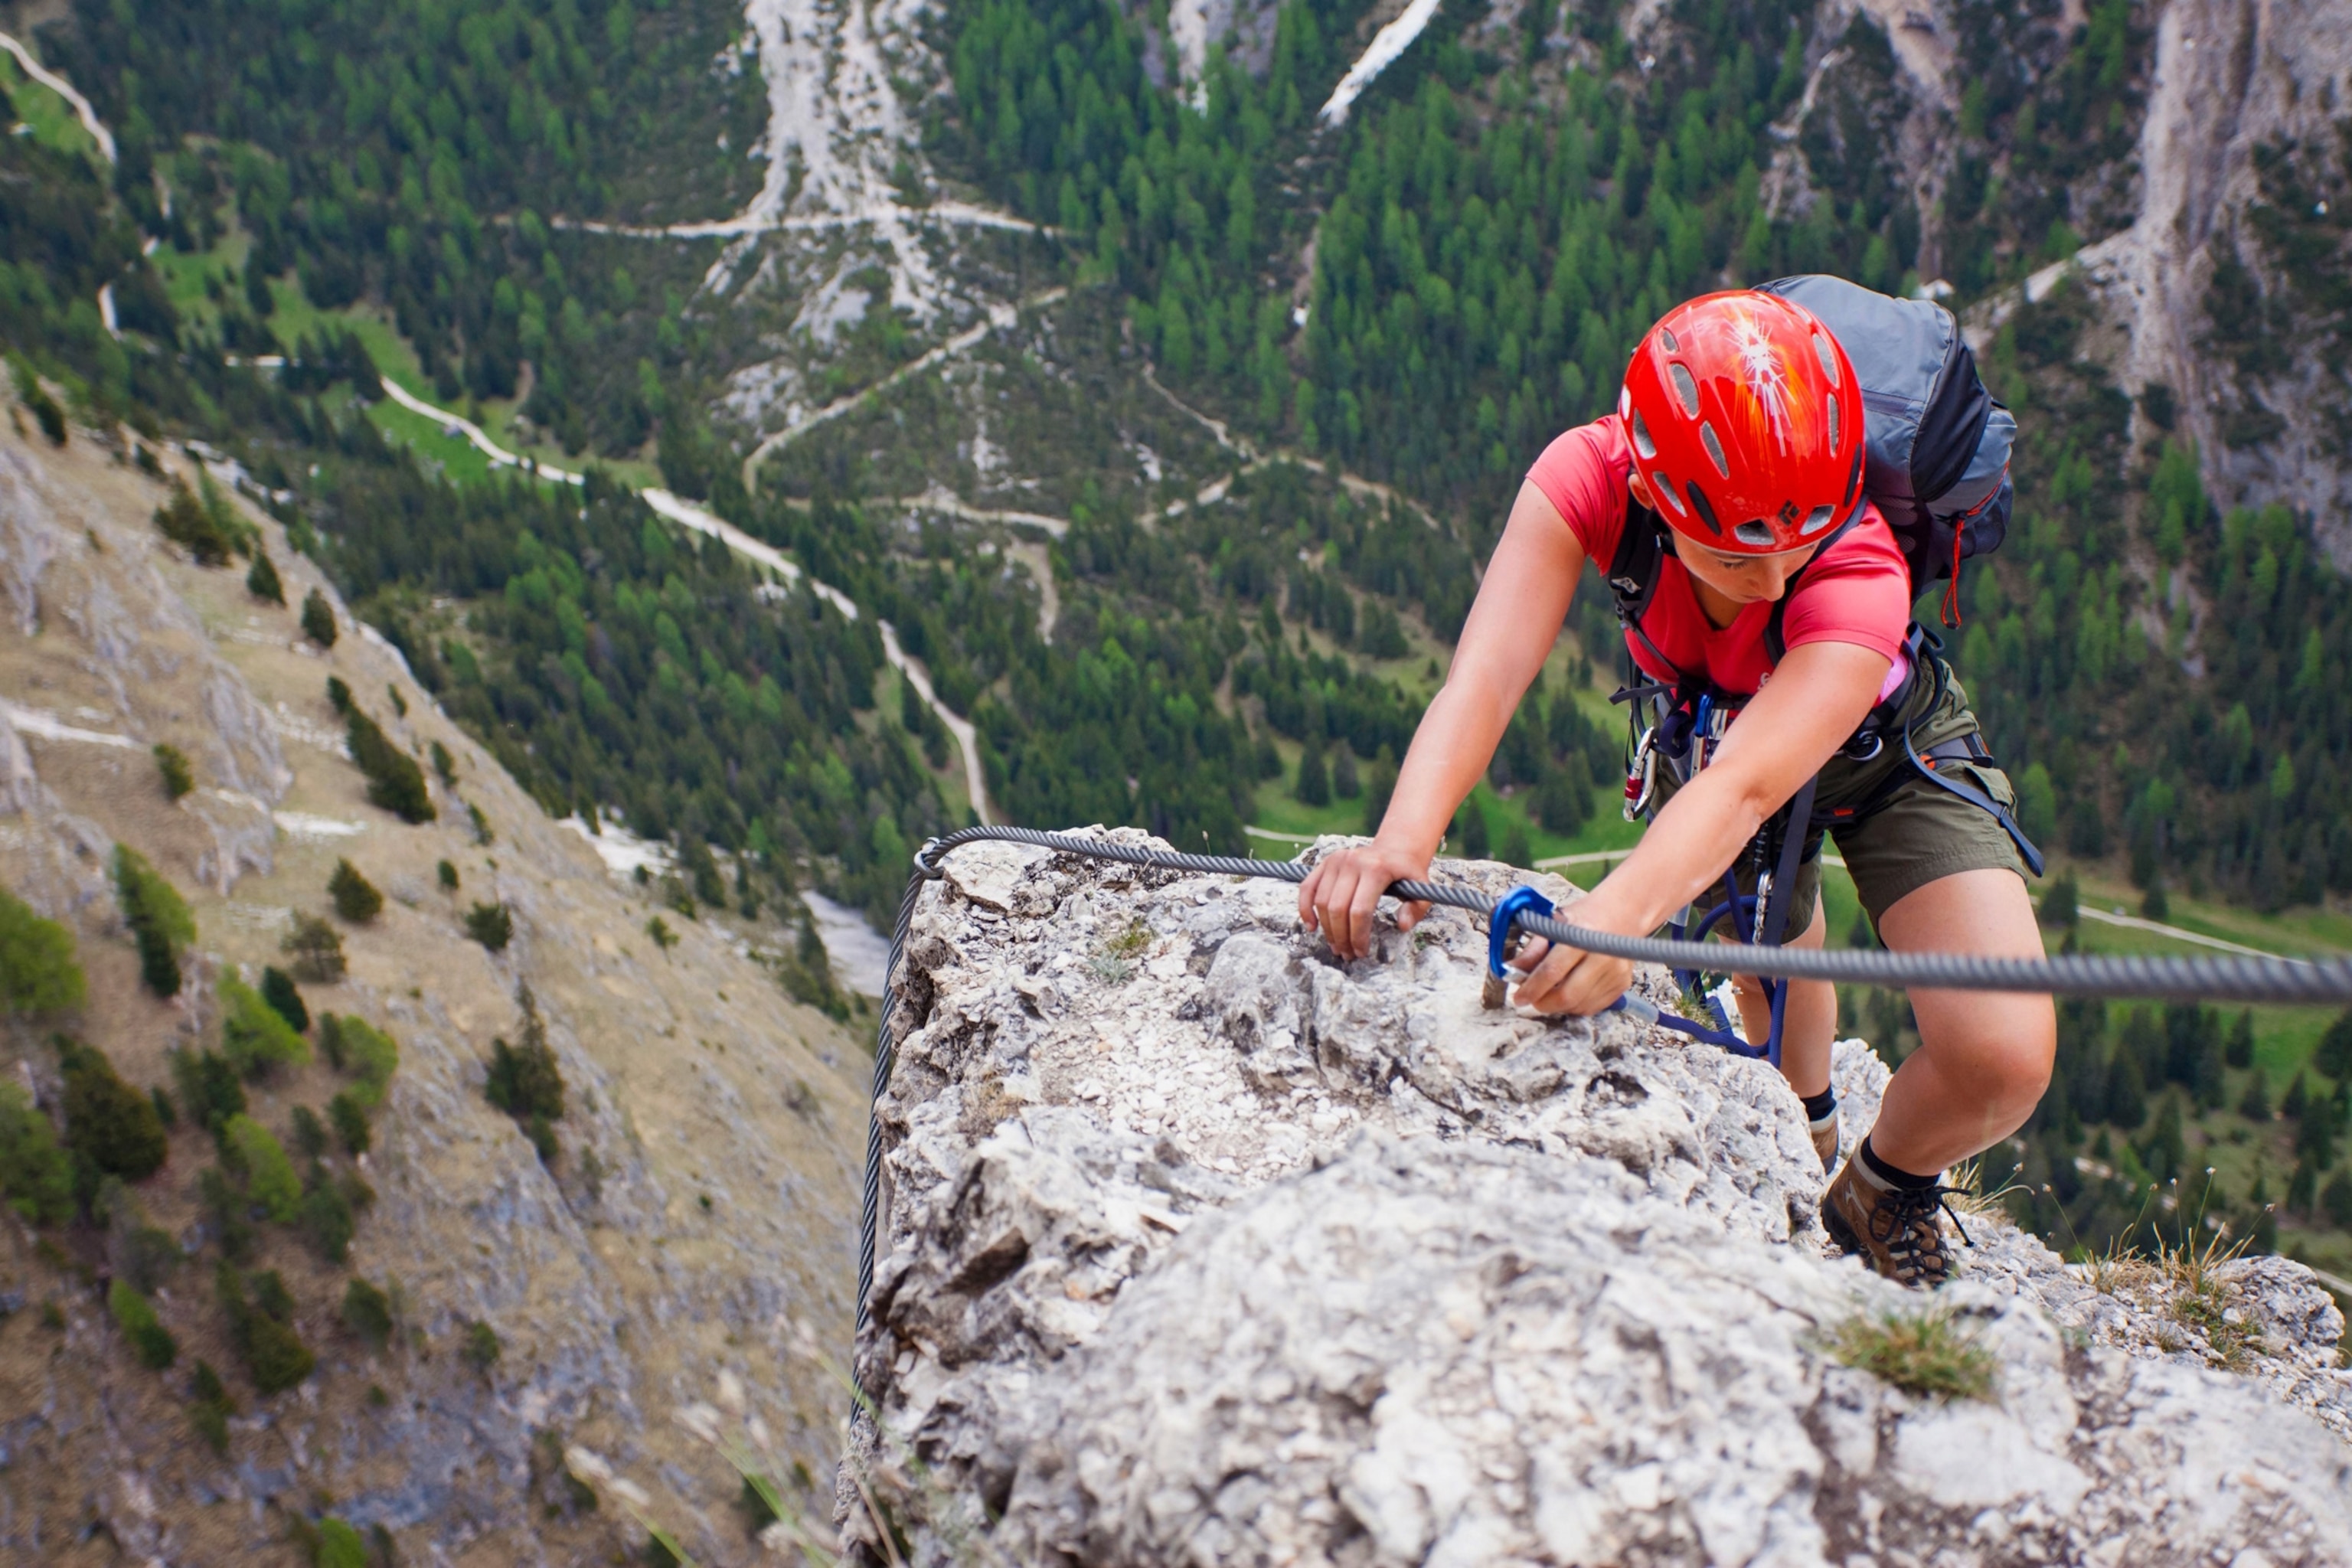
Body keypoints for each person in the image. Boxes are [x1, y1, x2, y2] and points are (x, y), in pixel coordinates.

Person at [1298, 289, 2053, 1288]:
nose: (1780, 577)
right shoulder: (1592, 475)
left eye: (1805, 534)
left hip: (1884, 741)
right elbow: (1484, 675)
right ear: (1655, 494)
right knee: (1767, 960)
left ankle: (1883, 1186)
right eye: (1741, 552)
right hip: (1716, 735)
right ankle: (1807, 1138)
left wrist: (1613, 924)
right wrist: (1403, 842)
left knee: (2002, 1055)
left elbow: (1747, 788)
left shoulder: (1855, 568)